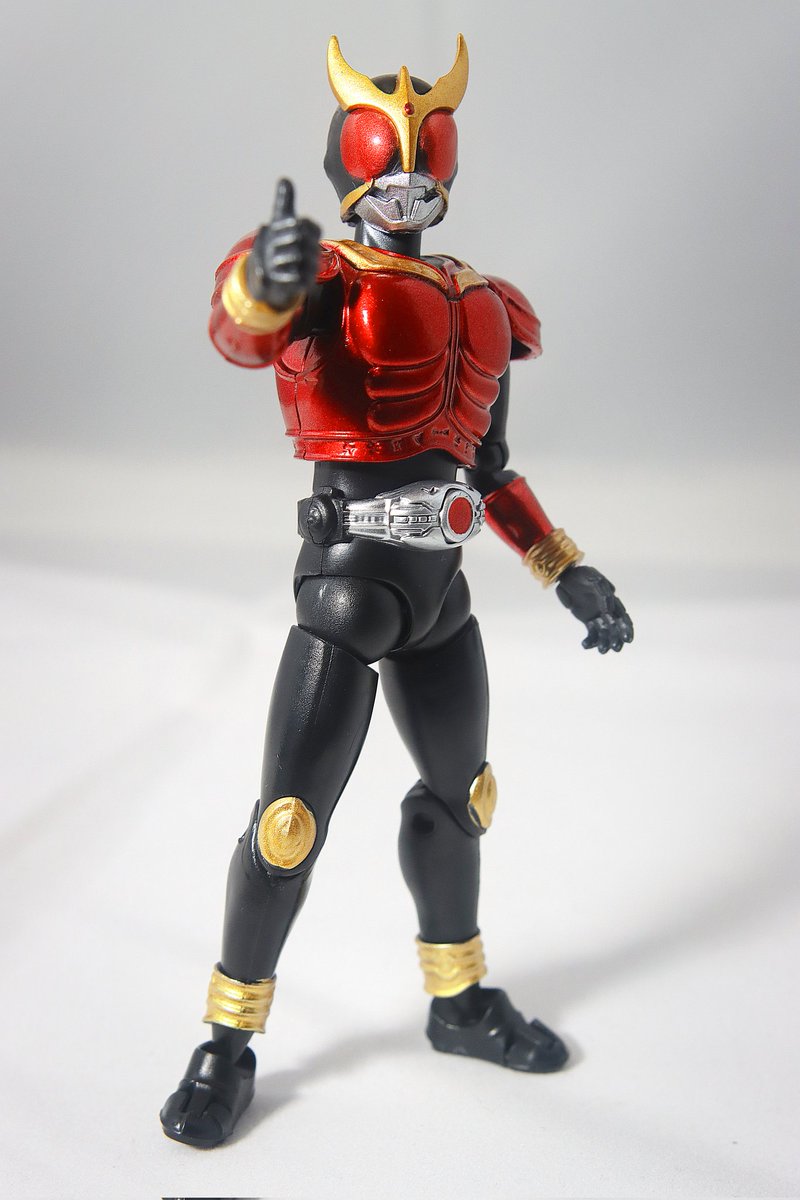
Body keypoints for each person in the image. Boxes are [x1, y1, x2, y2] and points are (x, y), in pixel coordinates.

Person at [160, 34, 633, 1149]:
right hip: (346, 589)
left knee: (462, 799)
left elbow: (490, 469)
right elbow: (239, 330)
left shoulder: (485, 302)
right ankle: (226, 1043)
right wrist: (262, 278)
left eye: (426, 156)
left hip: (440, 595)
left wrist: (566, 568)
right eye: (387, 155)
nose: (408, 176)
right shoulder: (322, 280)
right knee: (287, 826)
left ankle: (457, 1000)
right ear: (348, 166)